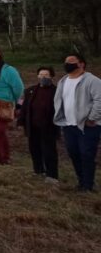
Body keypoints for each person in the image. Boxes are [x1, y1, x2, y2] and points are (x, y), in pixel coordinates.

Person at [53, 53, 101, 193]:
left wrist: (92, 118)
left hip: (88, 125)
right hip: (68, 125)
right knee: (74, 153)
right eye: (66, 61)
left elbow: (99, 100)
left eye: (71, 61)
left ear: (81, 64)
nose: (67, 64)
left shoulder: (92, 81)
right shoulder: (63, 81)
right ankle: (81, 181)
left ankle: (88, 185)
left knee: (86, 154)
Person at [17, 66, 59, 183]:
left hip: (48, 126)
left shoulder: (56, 91)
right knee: (34, 149)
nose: (43, 77)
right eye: (41, 75)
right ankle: (38, 170)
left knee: (49, 150)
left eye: (46, 75)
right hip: (32, 125)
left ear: (51, 77)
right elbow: (24, 106)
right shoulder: (30, 90)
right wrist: (21, 120)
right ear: (37, 76)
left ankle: (52, 175)